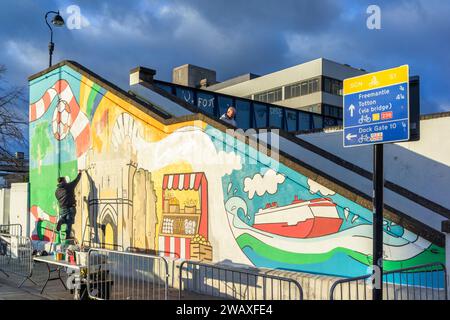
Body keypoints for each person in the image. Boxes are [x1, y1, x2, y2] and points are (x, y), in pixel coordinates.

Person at [55, 170, 83, 240]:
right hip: (70, 207)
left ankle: (61, 221)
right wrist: (80, 173)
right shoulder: (68, 186)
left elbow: (58, 198)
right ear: (64, 181)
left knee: (65, 219)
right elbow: (76, 181)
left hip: (62, 208)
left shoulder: (57, 191)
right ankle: (67, 236)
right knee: (69, 222)